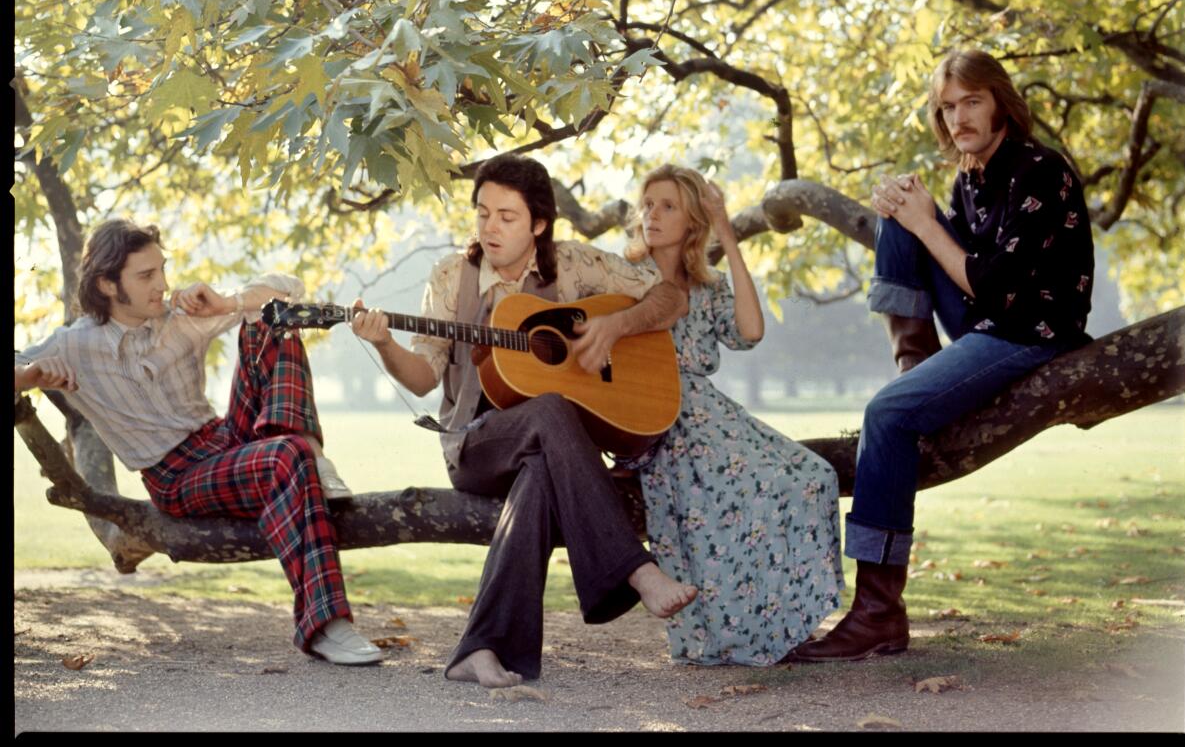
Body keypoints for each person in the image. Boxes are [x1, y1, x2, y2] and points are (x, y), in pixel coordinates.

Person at [788, 49, 1095, 663]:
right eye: (948, 107)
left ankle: (878, 613)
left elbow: (993, 286)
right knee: (899, 215)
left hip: (1033, 333)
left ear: (1001, 102)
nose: (959, 118)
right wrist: (909, 212)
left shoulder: (1039, 169)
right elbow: (946, 262)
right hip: (990, 322)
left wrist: (927, 223)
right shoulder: (971, 177)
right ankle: (915, 368)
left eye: (972, 101)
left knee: (886, 415)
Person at [350, 154, 698, 688]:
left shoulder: (576, 264)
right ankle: (636, 569)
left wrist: (616, 327)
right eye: (482, 213)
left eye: (506, 216)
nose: (490, 227)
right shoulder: (451, 277)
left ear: (538, 223)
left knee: (539, 470)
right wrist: (383, 344)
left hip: (552, 452)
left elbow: (670, 296)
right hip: (476, 446)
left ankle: (478, 651)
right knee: (551, 410)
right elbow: (422, 378)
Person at [14, 219, 381, 666]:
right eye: (146, 275)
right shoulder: (74, 343)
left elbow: (289, 290)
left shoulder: (182, 316)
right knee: (286, 456)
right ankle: (325, 625)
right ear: (107, 284)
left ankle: (312, 459)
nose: (162, 284)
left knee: (274, 318)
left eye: (162, 270)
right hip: (176, 475)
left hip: (223, 439)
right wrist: (30, 375)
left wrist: (229, 303)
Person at [623, 164, 843, 665]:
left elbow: (750, 331)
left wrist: (725, 229)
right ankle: (727, 633)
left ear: (692, 222)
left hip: (711, 413)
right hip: (657, 417)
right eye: (648, 204)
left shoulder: (708, 283)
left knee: (813, 477)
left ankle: (780, 626)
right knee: (744, 494)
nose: (652, 214)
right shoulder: (623, 276)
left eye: (668, 206)